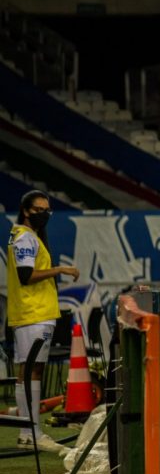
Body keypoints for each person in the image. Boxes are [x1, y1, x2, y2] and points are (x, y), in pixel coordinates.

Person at [7, 190, 80, 452]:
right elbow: (26, 275)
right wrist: (60, 269)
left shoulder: (29, 236)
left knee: (32, 371)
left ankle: (31, 432)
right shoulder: (25, 238)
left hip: (36, 313)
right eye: (39, 209)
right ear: (26, 211)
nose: (44, 214)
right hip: (32, 313)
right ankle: (30, 432)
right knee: (28, 371)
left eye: (47, 209)